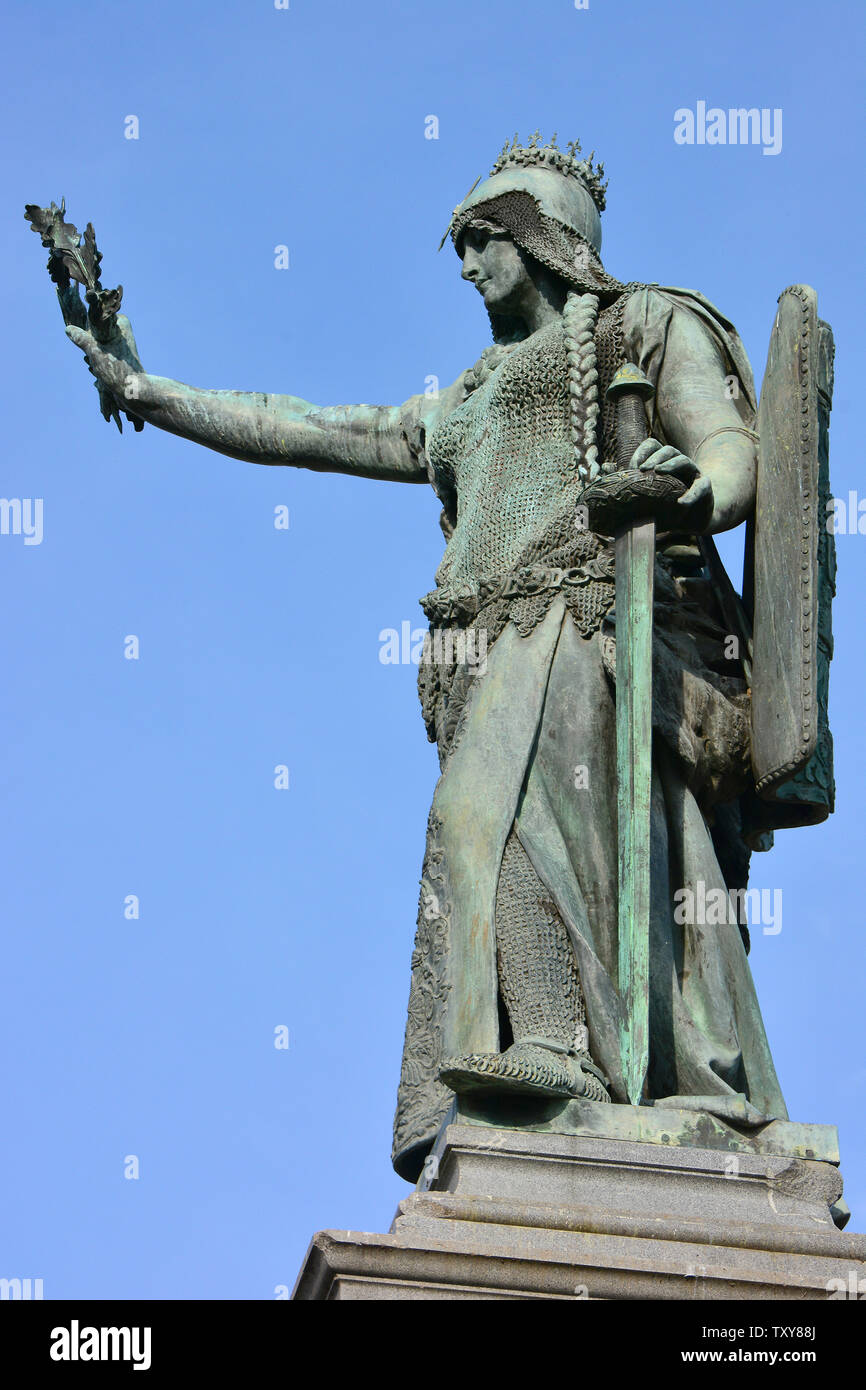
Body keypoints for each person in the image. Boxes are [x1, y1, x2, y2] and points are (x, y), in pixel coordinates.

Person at [66, 134, 787, 1184]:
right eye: (460, 245)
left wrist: (691, 490)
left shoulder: (639, 324)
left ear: (546, 243)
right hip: (482, 645)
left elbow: (732, 449)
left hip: (586, 620)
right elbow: (304, 426)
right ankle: (537, 1052)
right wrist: (150, 391)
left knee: (477, 824)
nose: (464, 267)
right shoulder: (463, 400)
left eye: (481, 241)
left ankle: (554, 1043)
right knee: (469, 833)